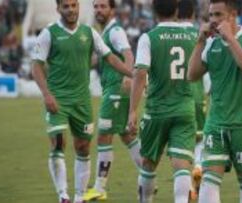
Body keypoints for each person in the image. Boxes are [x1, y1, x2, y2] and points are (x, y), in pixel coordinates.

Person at [31, 0, 131, 203]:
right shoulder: (49, 34)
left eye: (73, 5)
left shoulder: (89, 32)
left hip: (82, 101)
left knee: (83, 147)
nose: (70, 10)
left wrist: (133, 74)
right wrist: (47, 95)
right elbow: (36, 66)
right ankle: (63, 195)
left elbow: (111, 58)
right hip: (58, 100)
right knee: (58, 143)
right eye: (65, 6)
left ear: (78, 7)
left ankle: (79, 196)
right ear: (58, 8)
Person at [188, 0, 242, 202]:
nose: (213, 20)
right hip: (216, 123)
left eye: (218, 15)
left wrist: (230, 38)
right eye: (211, 15)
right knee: (209, 181)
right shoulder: (211, 43)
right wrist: (200, 41)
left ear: (233, 15)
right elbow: (192, 75)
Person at [128, 0, 197, 202]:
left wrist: (132, 110)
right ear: (177, 10)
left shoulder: (149, 38)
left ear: (153, 11)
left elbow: (140, 72)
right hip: (185, 109)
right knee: (181, 166)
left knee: (148, 165)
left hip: (157, 110)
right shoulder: (191, 36)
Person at [83, 0, 142, 201]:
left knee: (104, 136)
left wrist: (128, 76)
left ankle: (100, 187)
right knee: (127, 136)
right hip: (113, 88)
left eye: (103, 6)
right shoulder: (106, 31)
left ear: (112, 9)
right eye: (96, 7)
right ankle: (148, 175)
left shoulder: (115, 31)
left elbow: (128, 53)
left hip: (117, 89)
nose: (99, 10)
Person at [177, 0, 205, 200]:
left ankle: (188, 187)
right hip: (197, 95)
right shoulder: (200, 35)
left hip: (176, 98)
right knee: (200, 139)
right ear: (194, 14)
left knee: (181, 144)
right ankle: (198, 166)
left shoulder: (170, 35)